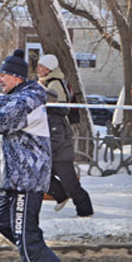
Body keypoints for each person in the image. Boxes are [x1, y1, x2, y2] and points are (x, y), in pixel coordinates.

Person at [0, 49, 61, 262]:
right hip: (12, 178)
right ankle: (47, 260)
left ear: (16, 78)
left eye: (3, 75)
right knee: (2, 223)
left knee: (23, 230)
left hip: (28, 179)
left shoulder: (27, 99)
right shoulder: (17, 96)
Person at [36, 54, 93, 218]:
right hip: (53, 146)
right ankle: (61, 195)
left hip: (60, 149)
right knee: (42, 177)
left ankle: (85, 210)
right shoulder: (46, 82)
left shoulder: (53, 85)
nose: (37, 68)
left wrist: (48, 149)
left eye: (41, 66)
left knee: (70, 183)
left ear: (49, 68)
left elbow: (58, 122)